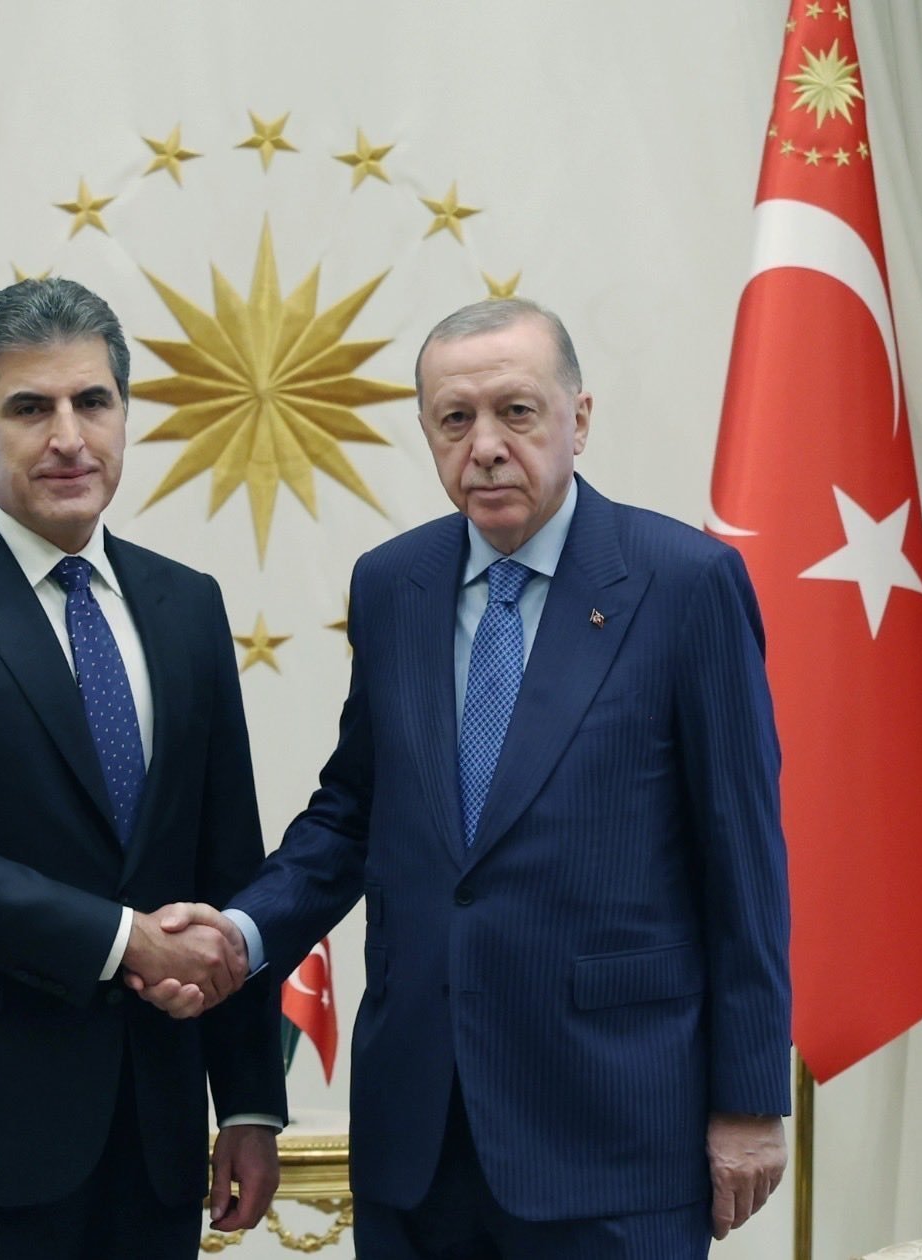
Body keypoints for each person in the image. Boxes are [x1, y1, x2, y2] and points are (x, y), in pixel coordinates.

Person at [135, 298, 791, 1258]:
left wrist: (748, 1100)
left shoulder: (684, 584)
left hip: (613, 1132)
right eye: (455, 420)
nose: (485, 446)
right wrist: (241, 933)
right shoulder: (393, 585)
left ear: (580, 417)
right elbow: (355, 813)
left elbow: (746, 856)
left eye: (516, 413)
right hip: (421, 1133)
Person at [0, 277, 285, 1259]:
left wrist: (248, 1098)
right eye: (30, 407)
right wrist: (127, 943)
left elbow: (224, 856)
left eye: (92, 401)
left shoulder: (186, 604)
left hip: (155, 1137)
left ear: (123, 414)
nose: (68, 436)